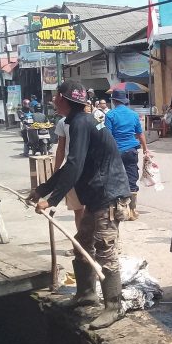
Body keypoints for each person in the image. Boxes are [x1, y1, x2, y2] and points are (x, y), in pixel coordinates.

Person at [30, 80, 130, 330]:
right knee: (82, 243)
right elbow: (71, 166)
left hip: (108, 194)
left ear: (64, 99)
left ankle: (114, 307)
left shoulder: (82, 123)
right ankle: (86, 294)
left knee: (105, 250)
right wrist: (42, 190)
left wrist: (50, 200)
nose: (53, 101)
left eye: (55, 97)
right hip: (95, 194)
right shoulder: (78, 122)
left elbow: (73, 165)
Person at [105, 90, 149, 220]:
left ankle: (119, 210)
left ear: (114, 101)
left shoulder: (110, 115)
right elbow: (140, 134)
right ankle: (133, 211)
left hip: (116, 152)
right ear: (126, 101)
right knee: (131, 179)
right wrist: (146, 149)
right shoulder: (133, 115)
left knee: (116, 180)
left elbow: (109, 136)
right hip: (131, 151)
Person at [53, 115, 85, 229]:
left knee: (82, 209)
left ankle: (86, 241)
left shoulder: (96, 120)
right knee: (80, 209)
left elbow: (60, 149)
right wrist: (56, 172)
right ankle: (83, 241)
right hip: (74, 171)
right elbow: (60, 149)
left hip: (81, 171)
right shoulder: (63, 122)